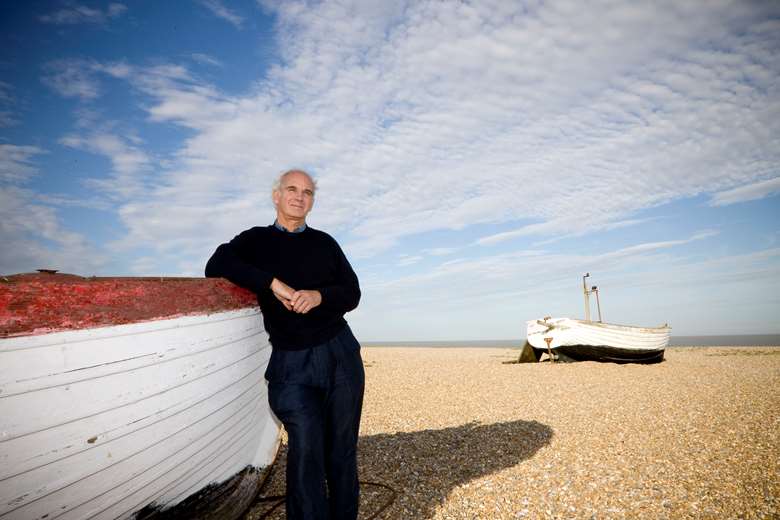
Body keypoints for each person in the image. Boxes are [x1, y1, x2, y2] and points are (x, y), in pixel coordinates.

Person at [205, 169, 363, 520]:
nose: (299, 196)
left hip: (341, 355)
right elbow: (216, 263)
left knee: (341, 452)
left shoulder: (325, 243)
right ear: (276, 196)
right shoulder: (255, 240)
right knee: (306, 450)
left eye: (307, 192)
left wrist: (319, 296)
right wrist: (271, 283)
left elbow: (352, 292)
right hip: (292, 364)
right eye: (292, 189)